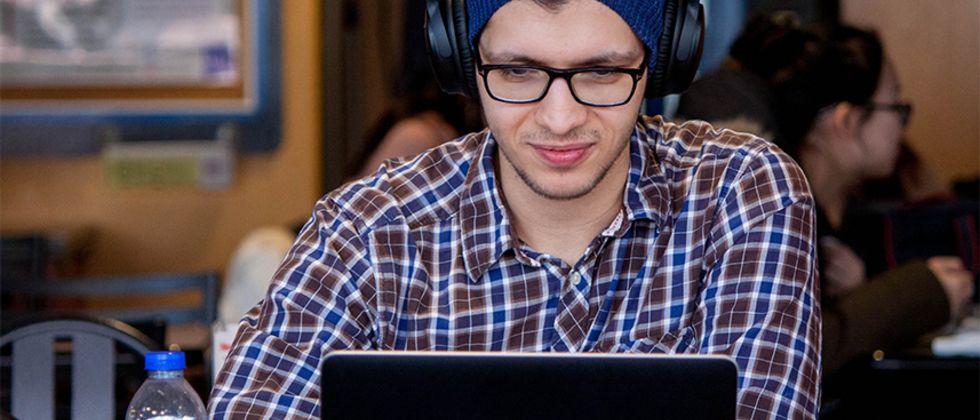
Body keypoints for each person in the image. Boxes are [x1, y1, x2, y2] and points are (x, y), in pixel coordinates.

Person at [209, 1, 821, 418]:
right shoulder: (368, 227)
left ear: (658, 63)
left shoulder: (742, 194)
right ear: (463, 63)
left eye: (603, 73)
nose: (560, 118)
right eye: (517, 71)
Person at [679, 18, 974, 382]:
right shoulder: (769, 209)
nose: (902, 122)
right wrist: (921, 292)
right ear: (846, 120)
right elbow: (776, 352)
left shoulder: (836, 210)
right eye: (895, 105)